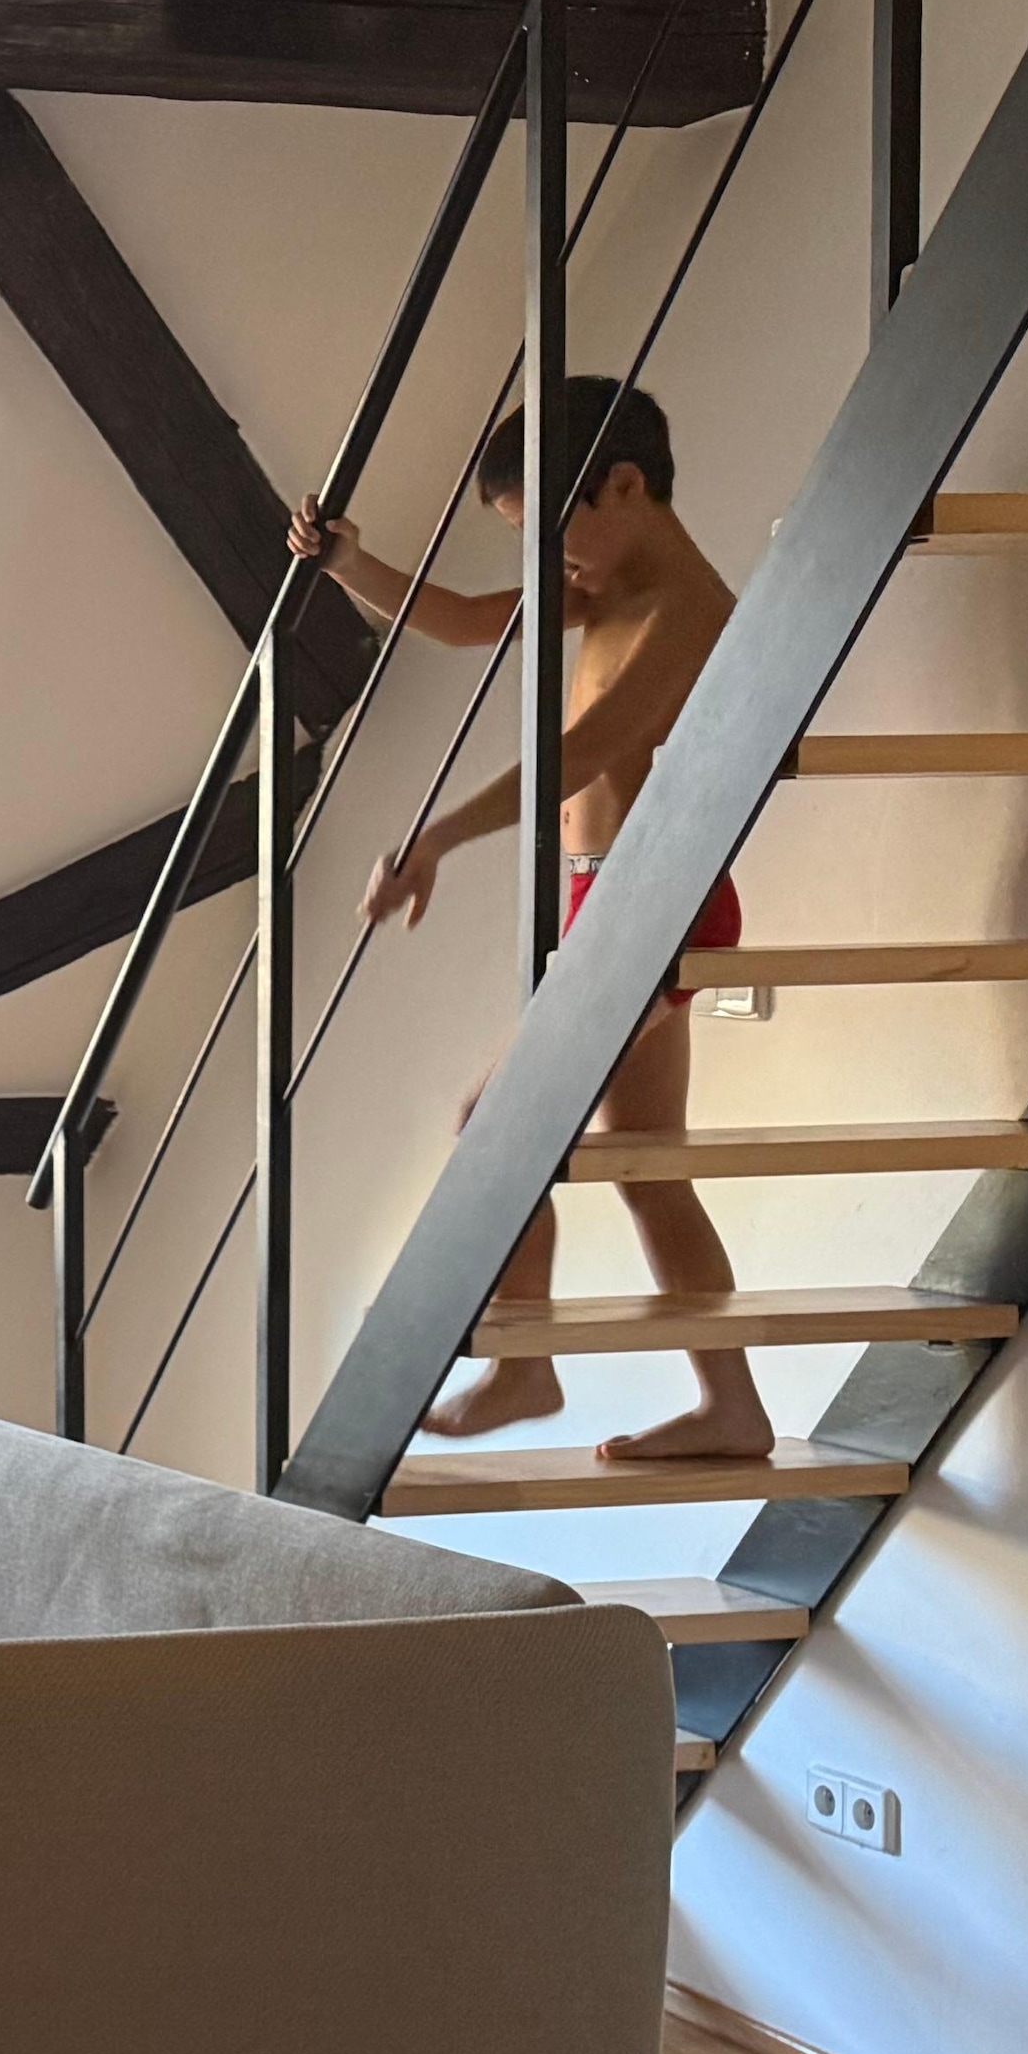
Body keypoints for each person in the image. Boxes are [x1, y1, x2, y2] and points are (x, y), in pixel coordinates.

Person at [293, 378, 768, 1463]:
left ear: (624, 487)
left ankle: (523, 1363)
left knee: (494, 1125)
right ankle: (731, 1407)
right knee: (647, 1170)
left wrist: (439, 837)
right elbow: (468, 621)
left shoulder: (684, 610)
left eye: (551, 529)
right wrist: (347, 562)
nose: (546, 558)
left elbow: (584, 752)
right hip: (612, 896)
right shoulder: (605, 585)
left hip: (655, 905)